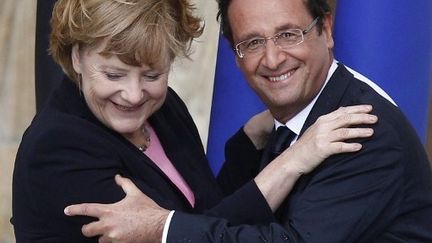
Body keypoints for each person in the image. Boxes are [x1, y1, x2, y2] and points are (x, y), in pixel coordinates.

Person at [65, 0, 432, 242]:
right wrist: (245, 146)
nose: (272, 59)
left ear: (327, 30)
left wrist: (160, 227)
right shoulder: (292, 123)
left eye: (289, 35)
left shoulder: (361, 130)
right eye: (252, 43)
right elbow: (230, 214)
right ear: (236, 55)